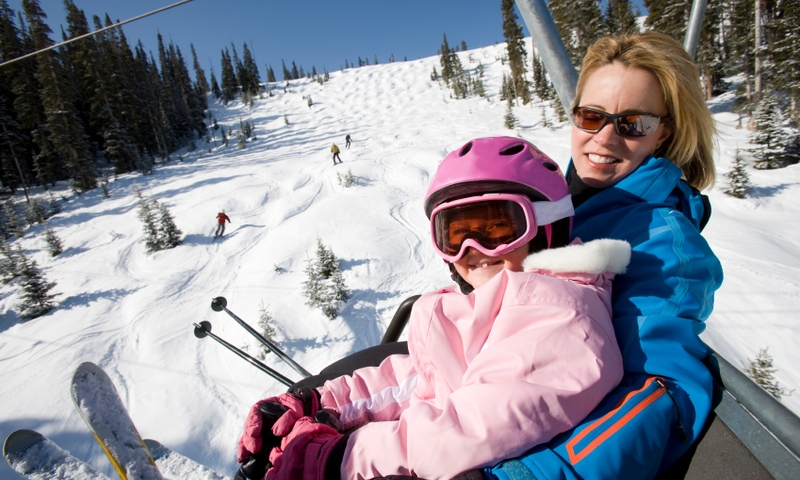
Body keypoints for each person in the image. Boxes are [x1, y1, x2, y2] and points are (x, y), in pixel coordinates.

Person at [237, 137, 631, 479]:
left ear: (548, 227)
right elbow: (422, 379)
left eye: (496, 228)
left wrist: (336, 459)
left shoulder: (560, 317)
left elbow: (465, 430)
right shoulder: (495, 301)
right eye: (455, 234)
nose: (472, 250)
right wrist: (323, 403)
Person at [485, 32, 724, 480]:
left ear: (664, 132)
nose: (605, 138)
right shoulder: (561, 204)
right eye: (591, 116)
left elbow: (662, 390)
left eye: (633, 124)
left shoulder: (661, 240)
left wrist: (527, 474)